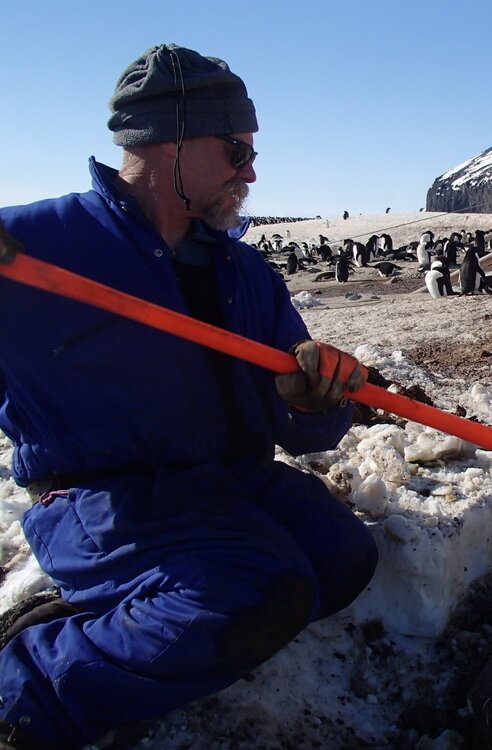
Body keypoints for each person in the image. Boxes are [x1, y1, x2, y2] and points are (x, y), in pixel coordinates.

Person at [0, 44, 378, 749]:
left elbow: (304, 436)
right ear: (166, 142)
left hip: (229, 481)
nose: (252, 170)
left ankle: (124, 617)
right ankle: (24, 693)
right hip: (102, 503)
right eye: (235, 148)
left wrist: (315, 401)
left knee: (339, 558)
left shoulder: (246, 270)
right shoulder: (30, 246)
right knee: (257, 592)